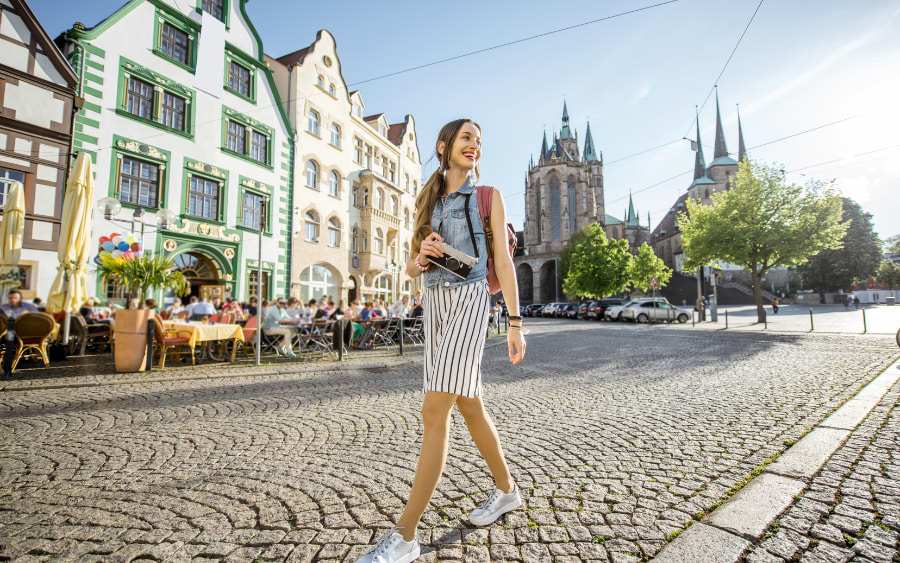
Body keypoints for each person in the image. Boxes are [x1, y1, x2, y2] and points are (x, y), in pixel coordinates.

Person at [356, 119, 526, 561]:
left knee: (435, 408)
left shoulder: (488, 197)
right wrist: (420, 257)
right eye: (467, 138)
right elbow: (411, 269)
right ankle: (507, 490)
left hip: (471, 300)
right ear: (444, 146)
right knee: (469, 404)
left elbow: (503, 263)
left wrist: (514, 321)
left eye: (479, 141)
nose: (475, 145)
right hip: (435, 304)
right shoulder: (426, 200)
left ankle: (406, 535)